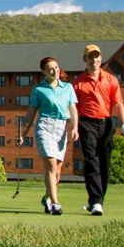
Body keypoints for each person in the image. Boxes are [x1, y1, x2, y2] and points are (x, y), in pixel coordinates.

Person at [72, 44, 124, 216]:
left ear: (101, 59)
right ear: (85, 60)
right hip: (87, 123)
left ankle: (95, 201)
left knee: (104, 164)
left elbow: (118, 103)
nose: (94, 60)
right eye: (90, 57)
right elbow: (74, 108)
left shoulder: (111, 79)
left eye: (96, 57)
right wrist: (74, 127)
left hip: (106, 123)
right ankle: (97, 201)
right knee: (91, 161)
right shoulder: (78, 83)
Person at [19, 56, 78, 215]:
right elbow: (31, 113)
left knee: (57, 173)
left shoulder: (67, 87)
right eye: (51, 69)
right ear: (44, 72)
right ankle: (56, 203)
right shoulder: (39, 90)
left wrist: (74, 128)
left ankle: (46, 198)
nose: (55, 71)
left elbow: (72, 109)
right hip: (44, 126)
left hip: (61, 127)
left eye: (56, 67)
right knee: (51, 166)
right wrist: (23, 134)